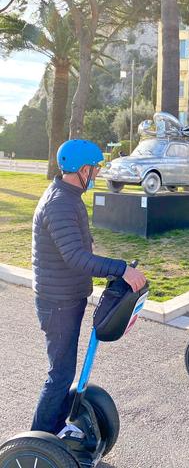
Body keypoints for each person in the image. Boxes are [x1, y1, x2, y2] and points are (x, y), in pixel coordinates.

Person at [31, 139, 146, 437]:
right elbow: (75, 257)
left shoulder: (69, 196)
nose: (95, 175)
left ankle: (55, 430)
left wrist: (105, 262)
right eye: (93, 170)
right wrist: (121, 268)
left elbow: (77, 247)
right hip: (57, 303)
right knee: (60, 375)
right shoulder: (59, 203)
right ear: (82, 169)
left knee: (64, 371)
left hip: (66, 298)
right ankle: (39, 443)